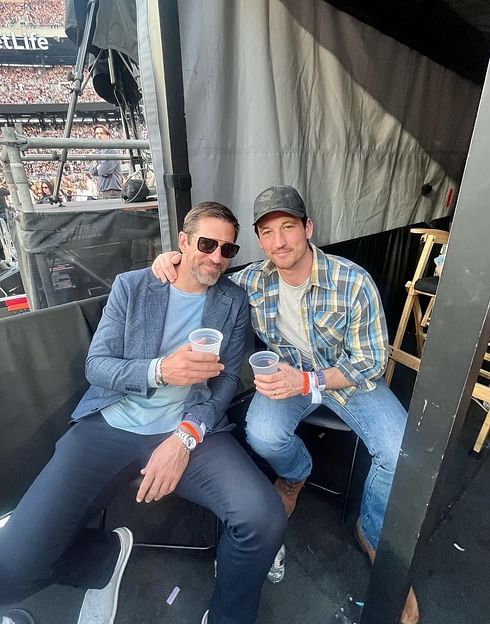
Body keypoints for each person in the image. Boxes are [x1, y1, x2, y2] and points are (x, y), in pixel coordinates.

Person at [0, 201, 286, 624]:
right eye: (206, 244)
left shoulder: (233, 300)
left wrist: (186, 435)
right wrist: (161, 370)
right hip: (111, 425)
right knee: (10, 573)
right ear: (184, 243)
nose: (216, 257)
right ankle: (104, 556)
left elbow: (225, 381)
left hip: (190, 429)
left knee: (264, 519)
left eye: (227, 250)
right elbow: (97, 366)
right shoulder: (133, 286)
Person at [152, 186, 420, 624]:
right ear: (259, 240)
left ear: (308, 229)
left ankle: (372, 532)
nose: (279, 241)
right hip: (287, 380)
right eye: (267, 232)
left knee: (398, 450)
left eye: (288, 228)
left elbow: (371, 362)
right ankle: (295, 477)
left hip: (346, 381)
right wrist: (172, 260)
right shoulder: (252, 280)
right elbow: (206, 272)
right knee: (261, 432)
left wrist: (311, 380)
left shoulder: (352, 281)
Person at [92, 125, 123, 198]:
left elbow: (105, 171)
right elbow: (92, 171)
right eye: (96, 134)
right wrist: (99, 167)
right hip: (105, 189)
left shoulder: (111, 149)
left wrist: (98, 168)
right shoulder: (99, 151)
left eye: (101, 133)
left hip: (112, 190)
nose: (99, 135)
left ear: (108, 136)